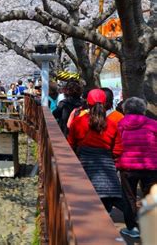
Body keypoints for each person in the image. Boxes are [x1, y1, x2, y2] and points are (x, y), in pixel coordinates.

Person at [67, 89, 123, 213]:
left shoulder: (78, 122)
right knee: (108, 197)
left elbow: (70, 144)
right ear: (105, 103)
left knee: (86, 197)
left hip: (84, 163)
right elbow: (118, 148)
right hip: (107, 165)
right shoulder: (112, 124)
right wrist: (111, 158)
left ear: (88, 102)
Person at [116, 97, 157, 238]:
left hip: (127, 168)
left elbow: (116, 145)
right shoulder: (153, 124)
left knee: (129, 198)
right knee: (151, 197)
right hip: (151, 167)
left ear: (125, 109)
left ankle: (132, 228)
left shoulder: (120, 124)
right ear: (143, 109)